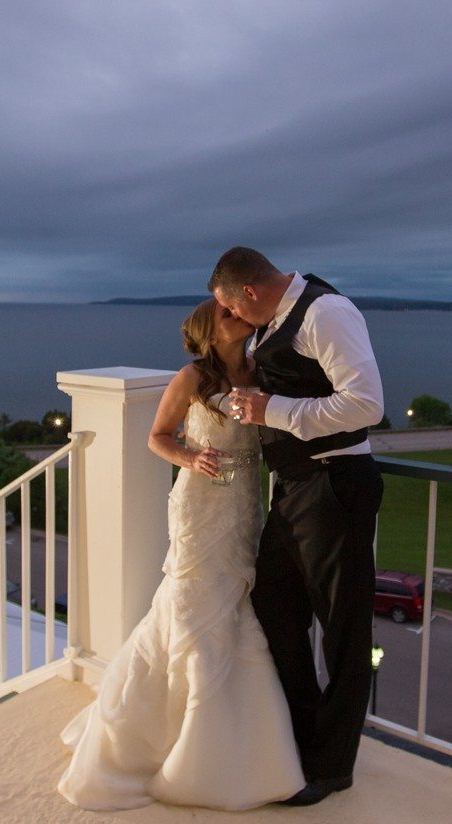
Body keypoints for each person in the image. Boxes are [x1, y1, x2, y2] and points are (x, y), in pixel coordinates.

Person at [56, 299, 305, 811]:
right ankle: (169, 735)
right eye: (225, 312)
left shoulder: (260, 369)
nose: (235, 312)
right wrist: (191, 456)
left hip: (243, 504)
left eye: (236, 308)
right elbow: (157, 438)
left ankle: (239, 737)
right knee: (192, 601)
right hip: (199, 503)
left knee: (235, 601)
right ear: (211, 332)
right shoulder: (192, 376)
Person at [211, 246, 385, 808]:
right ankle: (304, 738)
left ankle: (333, 768)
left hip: (336, 485)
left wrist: (271, 412)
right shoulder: (274, 321)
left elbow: (365, 405)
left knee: (343, 631)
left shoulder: (325, 313)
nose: (234, 319)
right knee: (276, 611)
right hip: (296, 489)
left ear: (253, 293)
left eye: (231, 309)